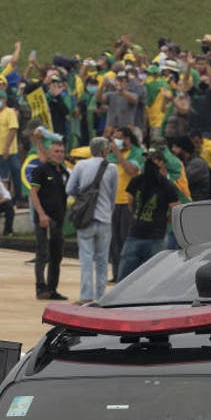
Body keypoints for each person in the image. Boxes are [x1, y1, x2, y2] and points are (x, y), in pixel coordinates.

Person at [65, 137, 117, 304]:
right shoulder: (112, 168)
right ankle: (100, 297)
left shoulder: (81, 165)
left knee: (86, 258)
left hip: (85, 217)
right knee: (102, 260)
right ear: (104, 151)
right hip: (104, 218)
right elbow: (112, 195)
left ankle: (86, 296)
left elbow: (69, 189)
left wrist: (82, 197)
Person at [118, 147, 181, 280]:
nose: (147, 161)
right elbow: (176, 209)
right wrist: (164, 220)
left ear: (160, 162)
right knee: (153, 280)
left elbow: (130, 201)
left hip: (143, 236)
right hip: (149, 236)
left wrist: (138, 215)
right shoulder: (165, 185)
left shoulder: (142, 181)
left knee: (126, 280)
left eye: (151, 158)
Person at [29, 138, 69, 300]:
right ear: (49, 153)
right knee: (42, 253)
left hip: (59, 219)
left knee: (56, 255)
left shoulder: (64, 172)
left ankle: (52, 288)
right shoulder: (42, 170)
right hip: (45, 218)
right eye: (56, 152)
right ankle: (41, 287)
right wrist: (41, 214)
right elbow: (33, 193)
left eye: (61, 151)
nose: (59, 154)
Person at [106, 127, 142, 283]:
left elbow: (131, 171)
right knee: (114, 241)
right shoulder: (111, 155)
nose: (116, 141)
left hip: (128, 203)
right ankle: (116, 274)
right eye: (114, 138)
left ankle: (127, 276)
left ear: (127, 139)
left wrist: (119, 154)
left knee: (126, 240)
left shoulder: (136, 153)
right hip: (112, 203)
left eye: (119, 138)